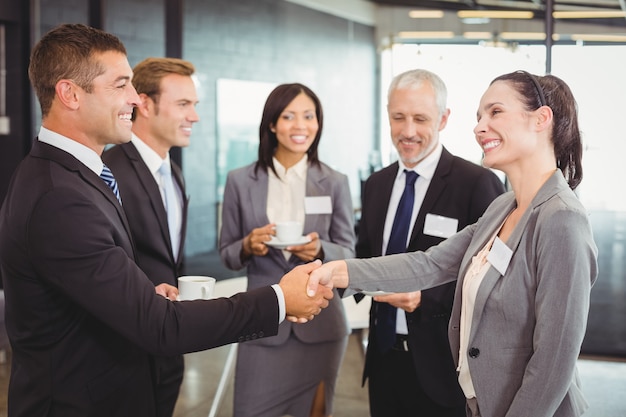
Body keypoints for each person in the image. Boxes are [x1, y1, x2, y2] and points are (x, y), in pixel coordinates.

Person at [0, 23, 331, 417]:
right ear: (70, 93)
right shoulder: (61, 197)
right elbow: (159, 327)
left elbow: (93, 286)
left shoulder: (74, 176)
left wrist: (141, 292)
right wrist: (279, 299)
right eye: (120, 85)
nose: (134, 100)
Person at [307, 70, 598, 417]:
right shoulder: (503, 208)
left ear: (541, 119)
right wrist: (337, 272)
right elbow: (428, 264)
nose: (479, 127)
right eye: (479, 116)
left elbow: (554, 361)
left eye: (495, 112)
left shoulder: (561, 220)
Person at [357, 69, 504, 417]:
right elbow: (364, 255)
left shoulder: (477, 184)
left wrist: (425, 297)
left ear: (443, 119)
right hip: (382, 360)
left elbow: (494, 279)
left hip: (443, 369)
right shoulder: (376, 185)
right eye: (398, 118)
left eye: (420, 119)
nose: (408, 132)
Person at [219, 83, 355, 417]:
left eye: (309, 116)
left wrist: (320, 249)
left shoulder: (335, 181)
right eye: (289, 116)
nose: (301, 126)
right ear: (272, 124)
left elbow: (349, 253)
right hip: (261, 324)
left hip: (321, 326)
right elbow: (227, 253)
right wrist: (248, 245)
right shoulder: (240, 180)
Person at [102, 57, 198, 417]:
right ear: (144, 103)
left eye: (195, 105)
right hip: (122, 357)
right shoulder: (109, 171)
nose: (194, 117)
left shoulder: (173, 172)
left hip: (166, 350)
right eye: (183, 105)